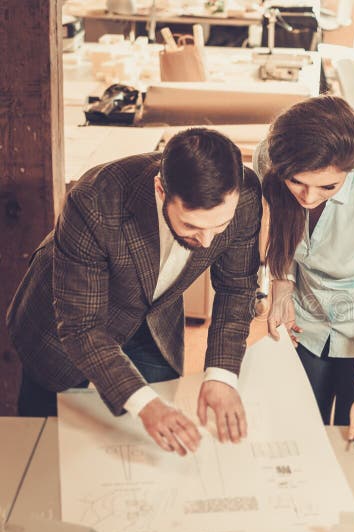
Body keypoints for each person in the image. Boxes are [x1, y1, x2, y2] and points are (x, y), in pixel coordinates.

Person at [6, 128, 263, 454]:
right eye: (191, 226)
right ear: (160, 189)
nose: (207, 241)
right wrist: (145, 405)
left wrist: (221, 375)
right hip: (66, 317)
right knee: (46, 441)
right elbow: (81, 327)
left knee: (149, 438)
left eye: (220, 226)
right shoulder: (93, 200)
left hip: (153, 317)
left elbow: (236, 287)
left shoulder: (245, 195)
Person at [255, 95, 354, 443]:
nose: (309, 198)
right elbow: (279, 225)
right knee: (299, 435)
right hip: (307, 323)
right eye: (297, 182)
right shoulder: (268, 156)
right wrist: (281, 281)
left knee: (351, 442)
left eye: (328, 186)